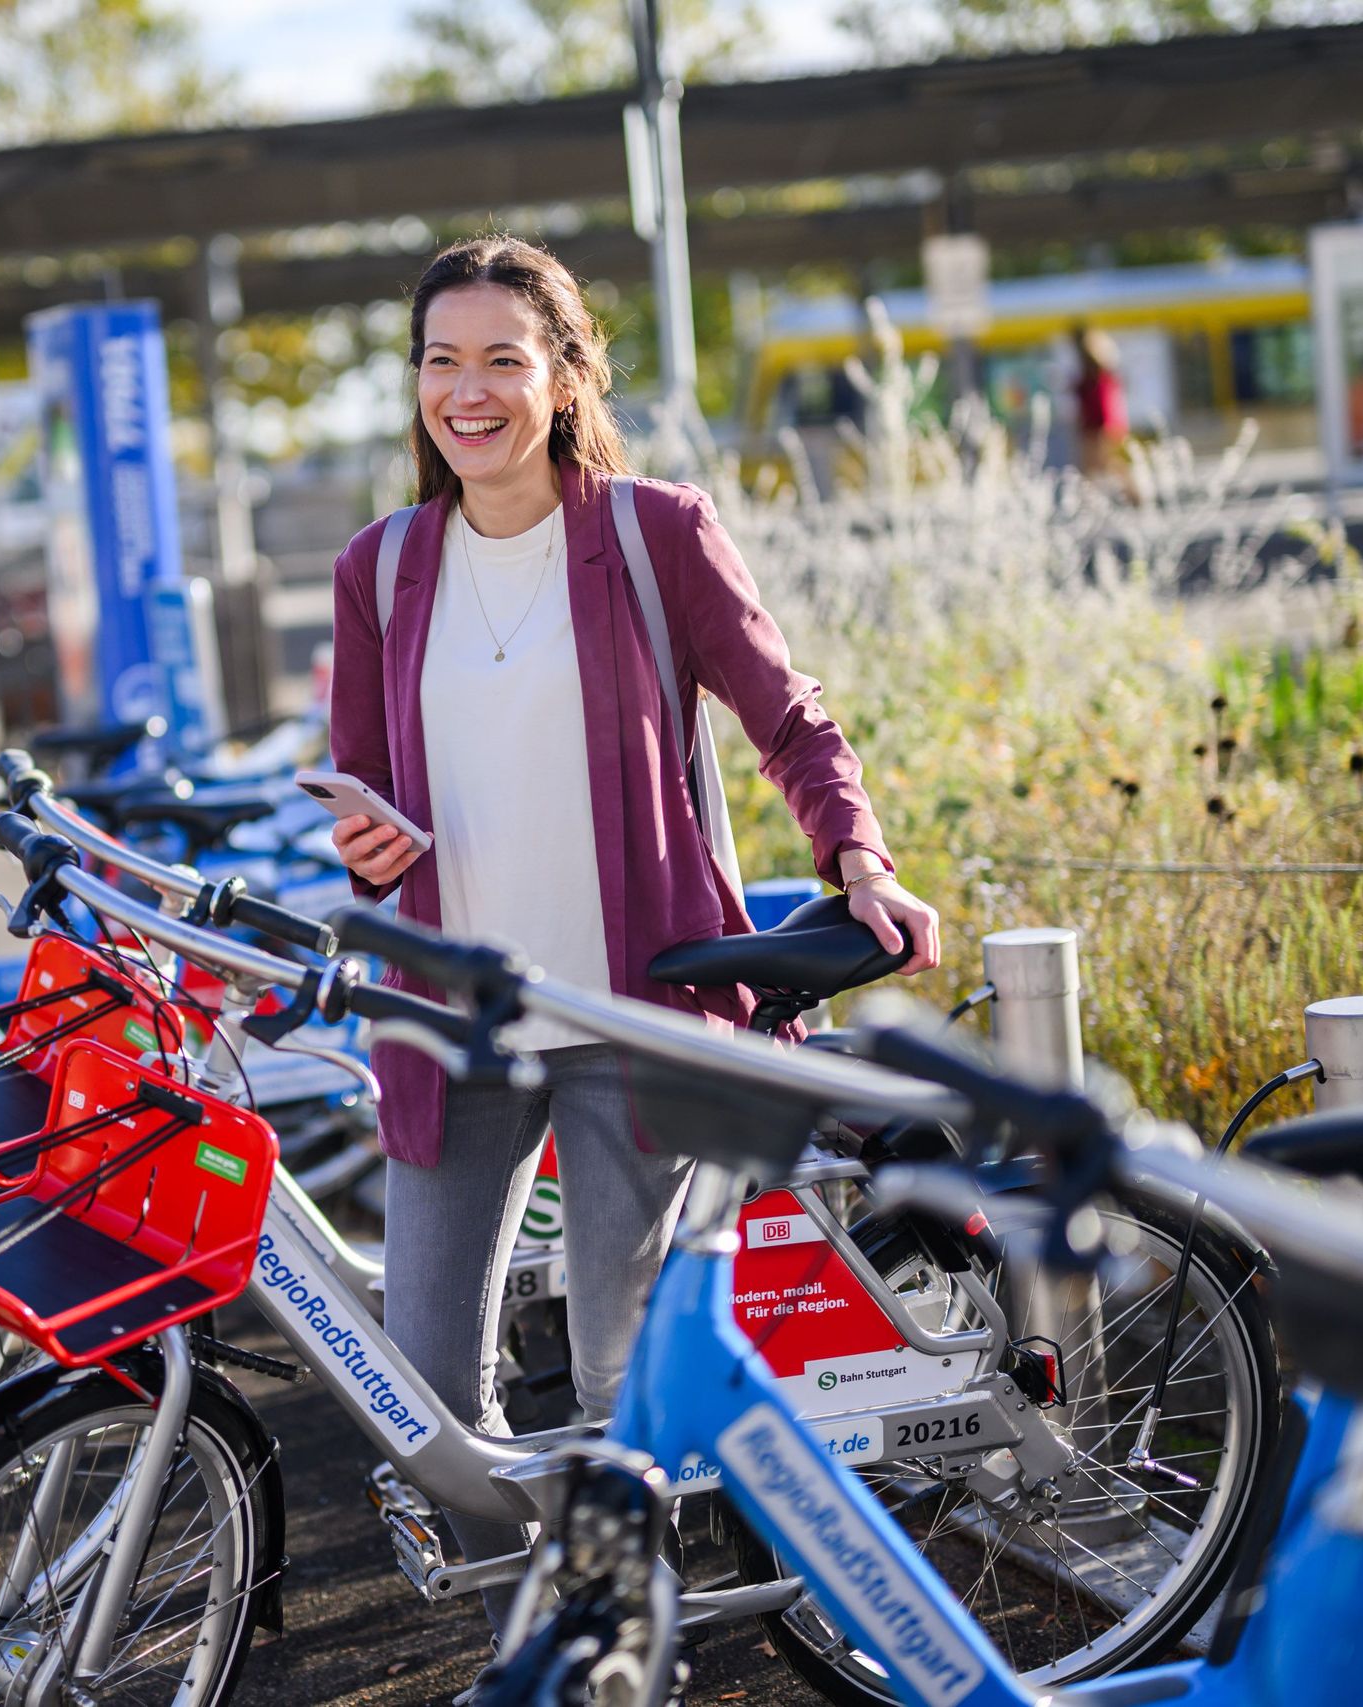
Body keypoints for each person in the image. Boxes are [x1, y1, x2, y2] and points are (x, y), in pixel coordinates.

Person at [325, 237, 939, 1650]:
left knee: (618, 1369)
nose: (465, 391)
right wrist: (366, 837)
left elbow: (794, 718)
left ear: (563, 376)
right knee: (423, 1395)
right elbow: (368, 783)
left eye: (500, 358)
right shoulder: (382, 568)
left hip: (633, 1010)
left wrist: (855, 850)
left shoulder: (654, 533)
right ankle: (556, 1617)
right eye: (440, 360)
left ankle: (611, 1642)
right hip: (454, 1016)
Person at [1071, 322, 1129, 477]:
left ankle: (1135, 496)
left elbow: (1099, 395)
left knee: (1107, 462)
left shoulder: (1097, 368)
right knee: (1095, 465)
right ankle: (1090, 498)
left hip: (1102, 423)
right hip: (1098, 422)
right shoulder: (1096, 369)